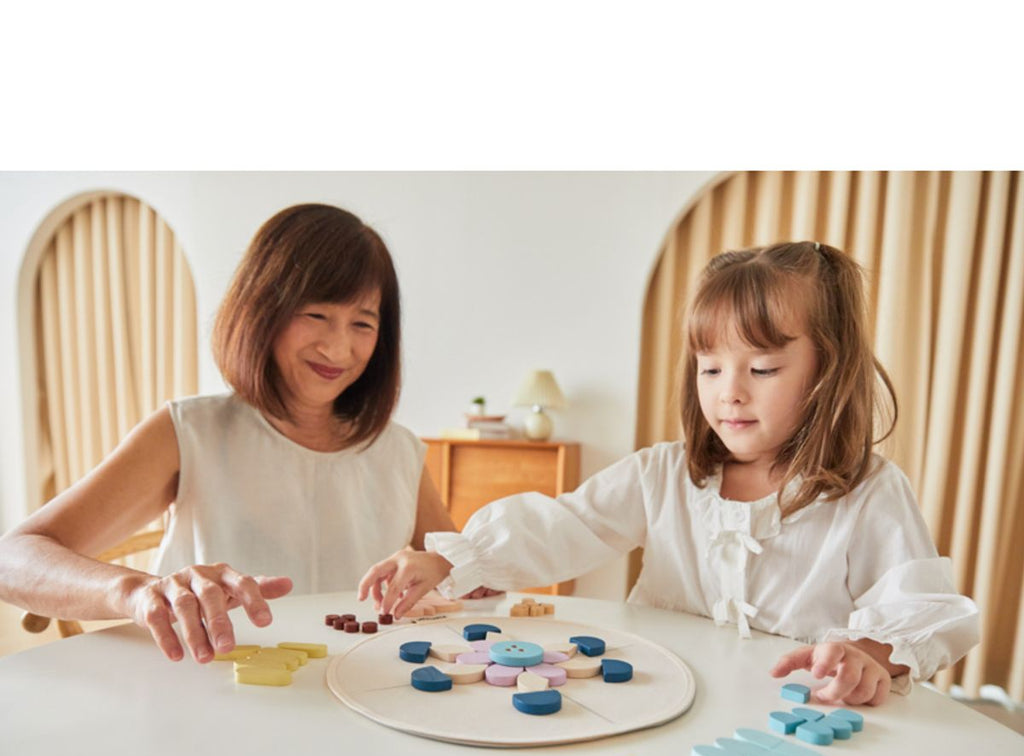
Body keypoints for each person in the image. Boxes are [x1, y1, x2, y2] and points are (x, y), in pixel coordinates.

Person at [359, 241, 980, 706]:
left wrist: (870, 653)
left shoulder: (868, 493)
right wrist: (451, 559)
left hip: (797, 717)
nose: (729, 394)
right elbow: (564, 525)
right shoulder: (664, 473)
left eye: (761, 369)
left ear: (827, 372)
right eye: (710, 369)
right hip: (657, 703)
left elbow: (920, 605)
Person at [0, 203, 468, 664]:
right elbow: (14, 560)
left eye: (362, 323)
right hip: (209, 699)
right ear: (263, 308)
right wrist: (137, 591)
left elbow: (467, 576)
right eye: (315, 314)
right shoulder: (190, 431)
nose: (337, 347)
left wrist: (448, 565)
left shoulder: (397, 450)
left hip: (358, 700)